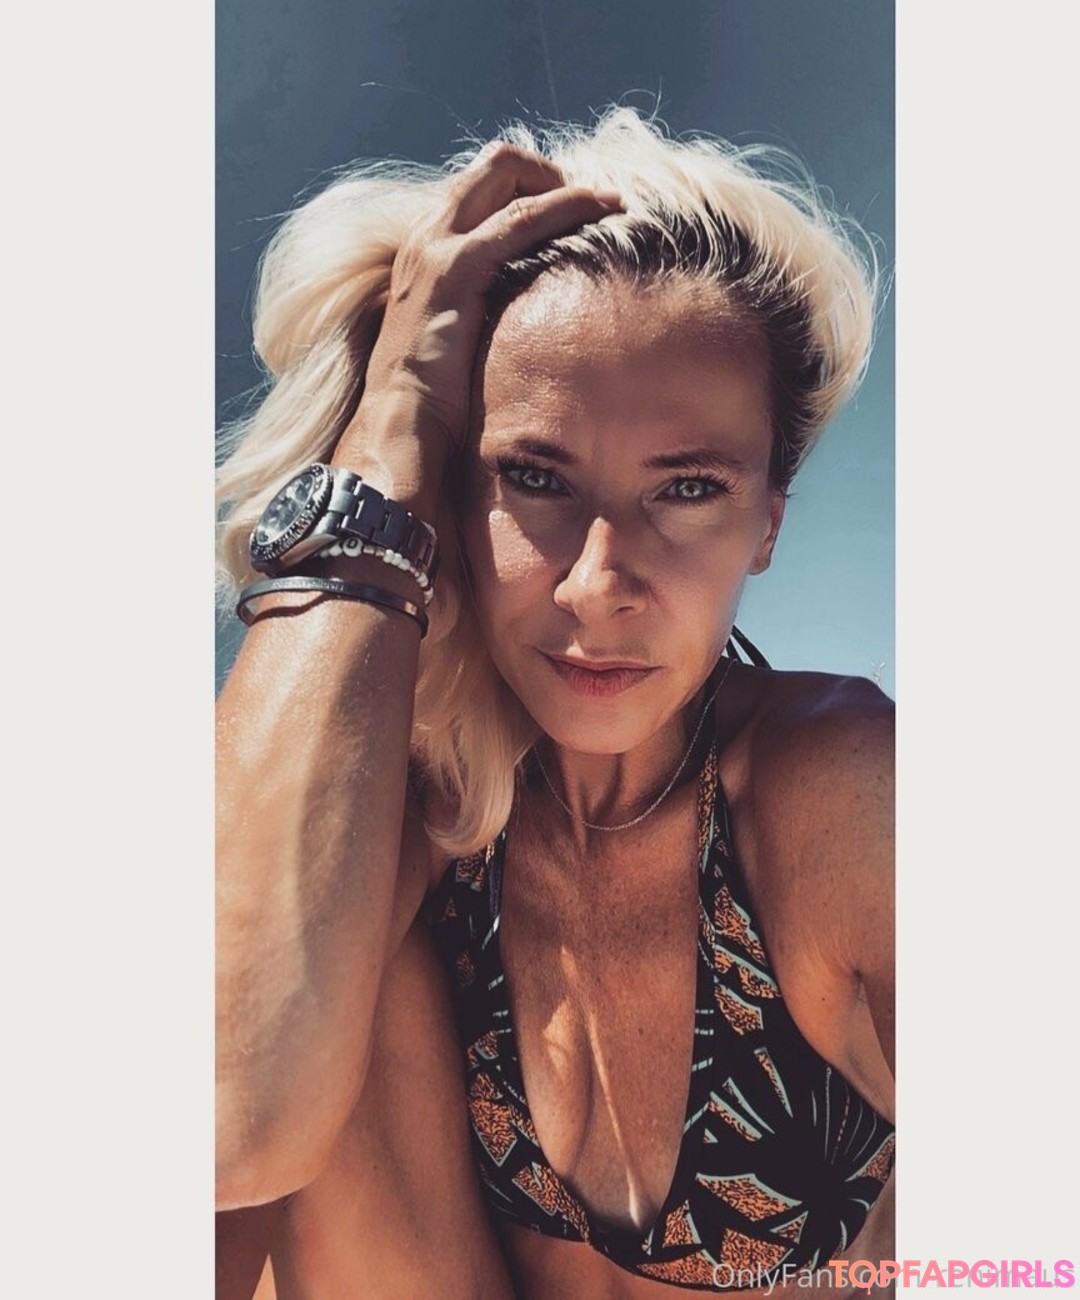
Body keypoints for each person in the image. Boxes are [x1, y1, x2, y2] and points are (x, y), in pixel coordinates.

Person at [216, 106, 894, 1298]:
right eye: (534, 477)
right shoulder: (417, 822)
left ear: (767, 523)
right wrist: (389, 430)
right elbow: (221, 1128)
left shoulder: (838, 788)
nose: (597, 583)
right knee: (320, 937)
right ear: (443, 495)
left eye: (687, 489)